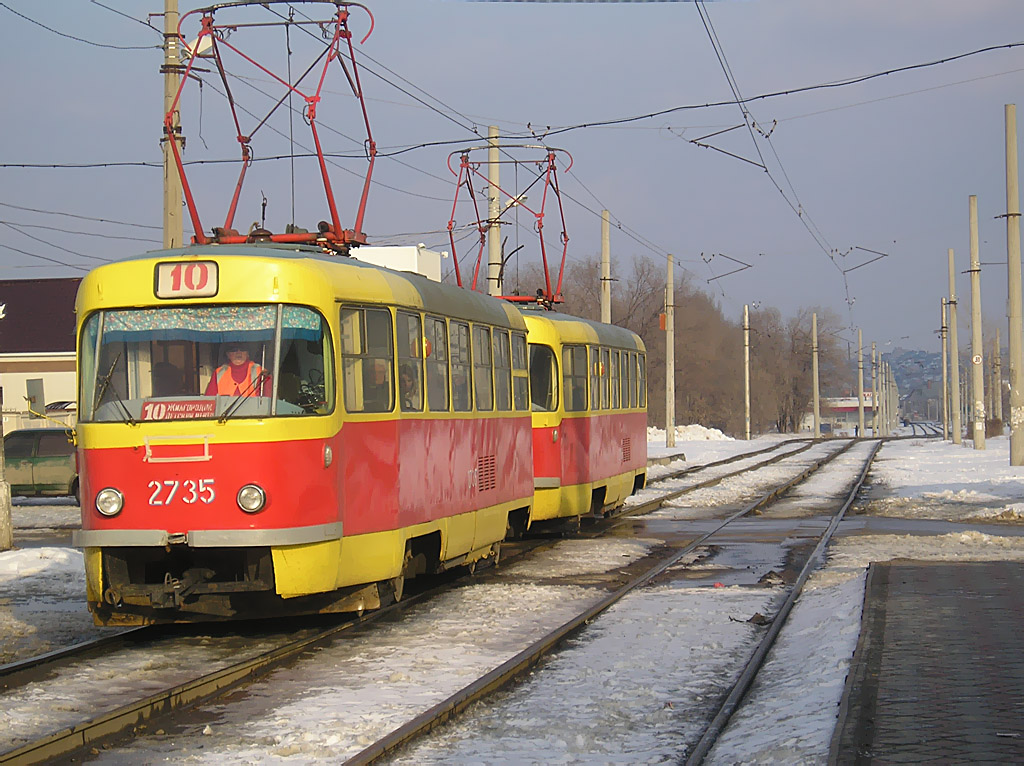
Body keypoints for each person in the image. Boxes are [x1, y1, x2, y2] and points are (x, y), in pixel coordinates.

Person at [205, 343, 271, 397]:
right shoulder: (218, 373)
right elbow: (209, 403)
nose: (238, 353)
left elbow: (269, 402)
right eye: (234, 350)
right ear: (227, 354)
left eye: (242, 349)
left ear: (248, 353)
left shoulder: (261, 372)